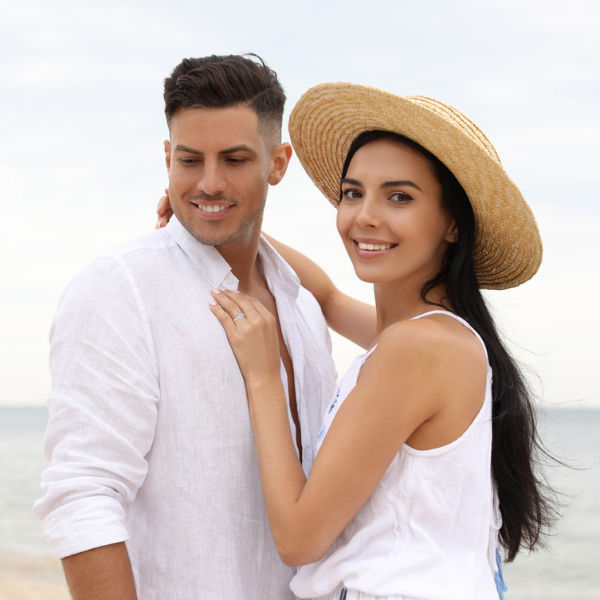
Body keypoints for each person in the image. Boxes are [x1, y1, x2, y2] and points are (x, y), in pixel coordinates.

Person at [205, 84, 556, 600]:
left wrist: (263, 377)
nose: (365, 216)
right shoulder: (441, 339)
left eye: (399, 197)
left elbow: (299, 538)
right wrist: (219, 217)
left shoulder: (415, 349)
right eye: (353, 193)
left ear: (454, 222)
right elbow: (323, 295)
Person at [34, 56, 364, 600]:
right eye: (190, 160)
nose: (209, 183)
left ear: (278, 163)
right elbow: (83, 496)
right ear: (167, 159)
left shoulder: (303, 306)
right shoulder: (122, 290)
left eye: (235, 160)